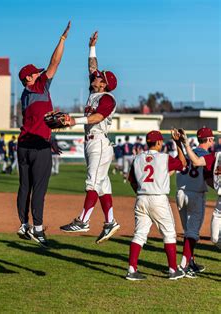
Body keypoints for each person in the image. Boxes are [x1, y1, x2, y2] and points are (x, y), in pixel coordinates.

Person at [59, 31, 121, 244]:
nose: (95, 76)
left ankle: (83, 220)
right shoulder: (95, 91)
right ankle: (110, 221)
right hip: (91, 142)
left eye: (99, 77)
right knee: (102, 185)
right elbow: (92, 67)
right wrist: (92, 47)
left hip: (99, 141)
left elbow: (96, 117)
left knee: (92, 183)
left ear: (103, 84)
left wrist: (74, 121)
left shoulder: (107, 98)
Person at [16, 21, 71, 248]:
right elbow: (55, 62)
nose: (40, 74)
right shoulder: (39, 87)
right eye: (35, 73)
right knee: (39, 188)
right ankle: (38, 230)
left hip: (24, 144)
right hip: (38, 146)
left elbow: (41, 119)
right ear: (29, 78)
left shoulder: (25, 94)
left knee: (24, 186)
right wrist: (62, 39)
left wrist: (51, 132)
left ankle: (23, 224)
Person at [125, 130, 186, 280]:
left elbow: (131, 180)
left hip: (141, 198)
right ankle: (173, 270)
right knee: (169, 234)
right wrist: (178, 143)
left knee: (139, 234)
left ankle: (131, 270)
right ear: (158, 142)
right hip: (158, 199)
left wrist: (140, 193)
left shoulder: (138, 158)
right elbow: (183, 163)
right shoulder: (164, 158)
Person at [175, 127, 214, 276]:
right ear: (209, 139)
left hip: (180, 193)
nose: (214, 141)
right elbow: (209, 179)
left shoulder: (185, 153)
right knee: (192, 232)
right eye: (212, 138)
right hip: (195, 195)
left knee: (188, 232)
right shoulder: (206, 157)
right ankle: (184, 266)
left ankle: (190, 262)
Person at [179, 129, 221, 251]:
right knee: (214, 238)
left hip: (184, 192)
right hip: (219, 202)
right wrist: (186, 144)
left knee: (190, 231)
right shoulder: (216, 156)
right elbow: (197, 162)